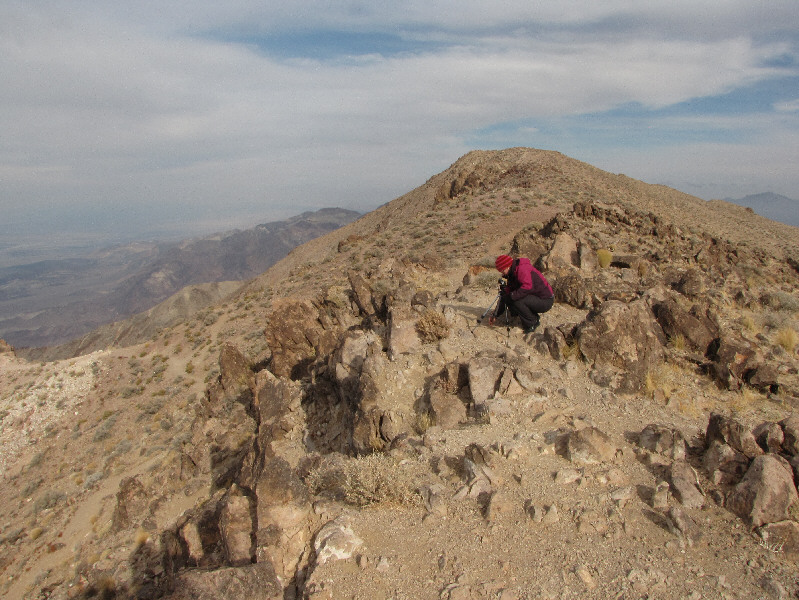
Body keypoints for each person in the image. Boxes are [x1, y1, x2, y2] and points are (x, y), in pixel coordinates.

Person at [488, 254, 554, 334]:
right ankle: (522, 314)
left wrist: (511, 296)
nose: (502, 273)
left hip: (545, 300)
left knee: (516, 299)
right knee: (511, 296)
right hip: (535, 298)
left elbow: (527, 287)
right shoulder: (512, 273)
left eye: (502, 270)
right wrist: (495, 314)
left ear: (507, 266)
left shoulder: (522, 269)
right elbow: (506, 294)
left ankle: (532, 322)